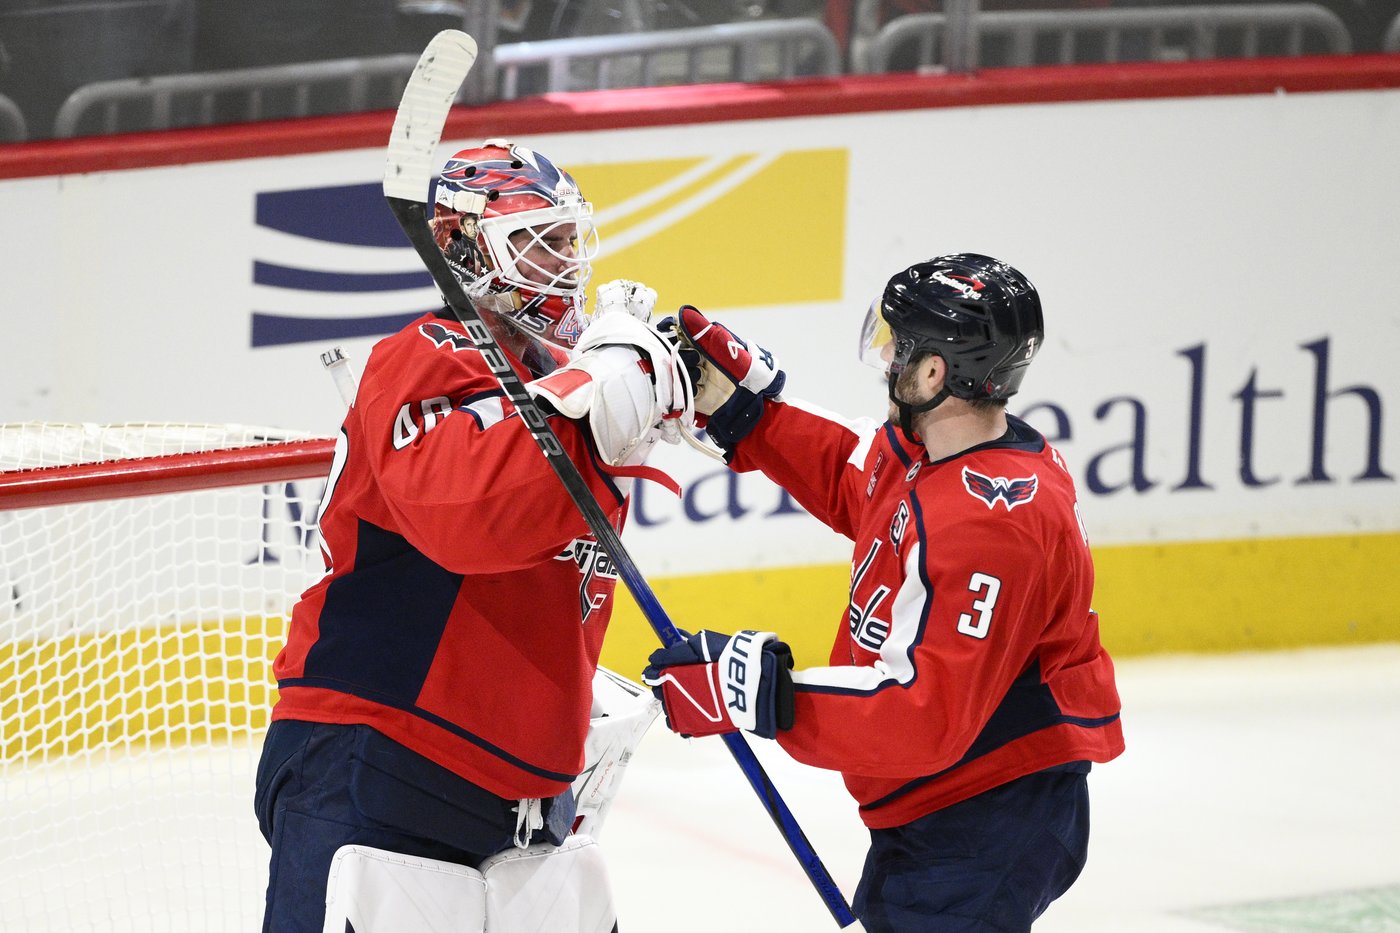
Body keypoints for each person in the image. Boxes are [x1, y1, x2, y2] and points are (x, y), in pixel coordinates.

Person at [254, 138, 688, 932]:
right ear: (460, 242)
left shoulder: (555, 379)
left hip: (513, 785)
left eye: (568, 239)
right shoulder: (426, 356)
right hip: (380, 746)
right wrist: (595, 386)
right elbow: (468, 521)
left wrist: (560, 710)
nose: (563, 261)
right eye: (538, 240)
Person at [643, 253, 1126, 932]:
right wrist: (746, 413)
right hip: (947, 802)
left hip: (988, 815)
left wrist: (757, 693)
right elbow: (858, 476)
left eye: (896, 346)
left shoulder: (992, 520)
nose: (885, 360)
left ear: (933, 373)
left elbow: (923, 714)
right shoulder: (939, 454)